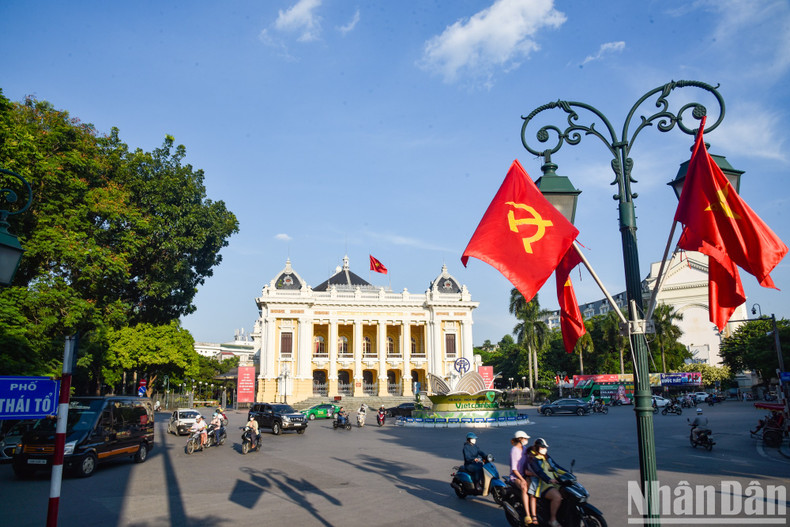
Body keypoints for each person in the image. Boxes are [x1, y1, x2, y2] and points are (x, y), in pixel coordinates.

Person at [527, 438, 567, 527]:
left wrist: (567, 473)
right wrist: (549, 480)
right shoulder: (533, 459)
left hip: (554, 482)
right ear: (537, 448)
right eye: (542, 447)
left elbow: (556, 466)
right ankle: (552, 520)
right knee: (557, 497)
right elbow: (539, 472)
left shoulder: (546, 456)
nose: (545, 449)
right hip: (543, 484)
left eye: (545, 447)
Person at [508, 430, 537, 525]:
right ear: (520, 439)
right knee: (524, 487)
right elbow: (514, 469)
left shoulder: (524, 449)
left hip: (525, 474)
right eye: (525, 438)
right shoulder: (514, 451)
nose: (526, 440)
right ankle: (528, 515)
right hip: (516, 476)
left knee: (535, 487)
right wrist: (522, 479)